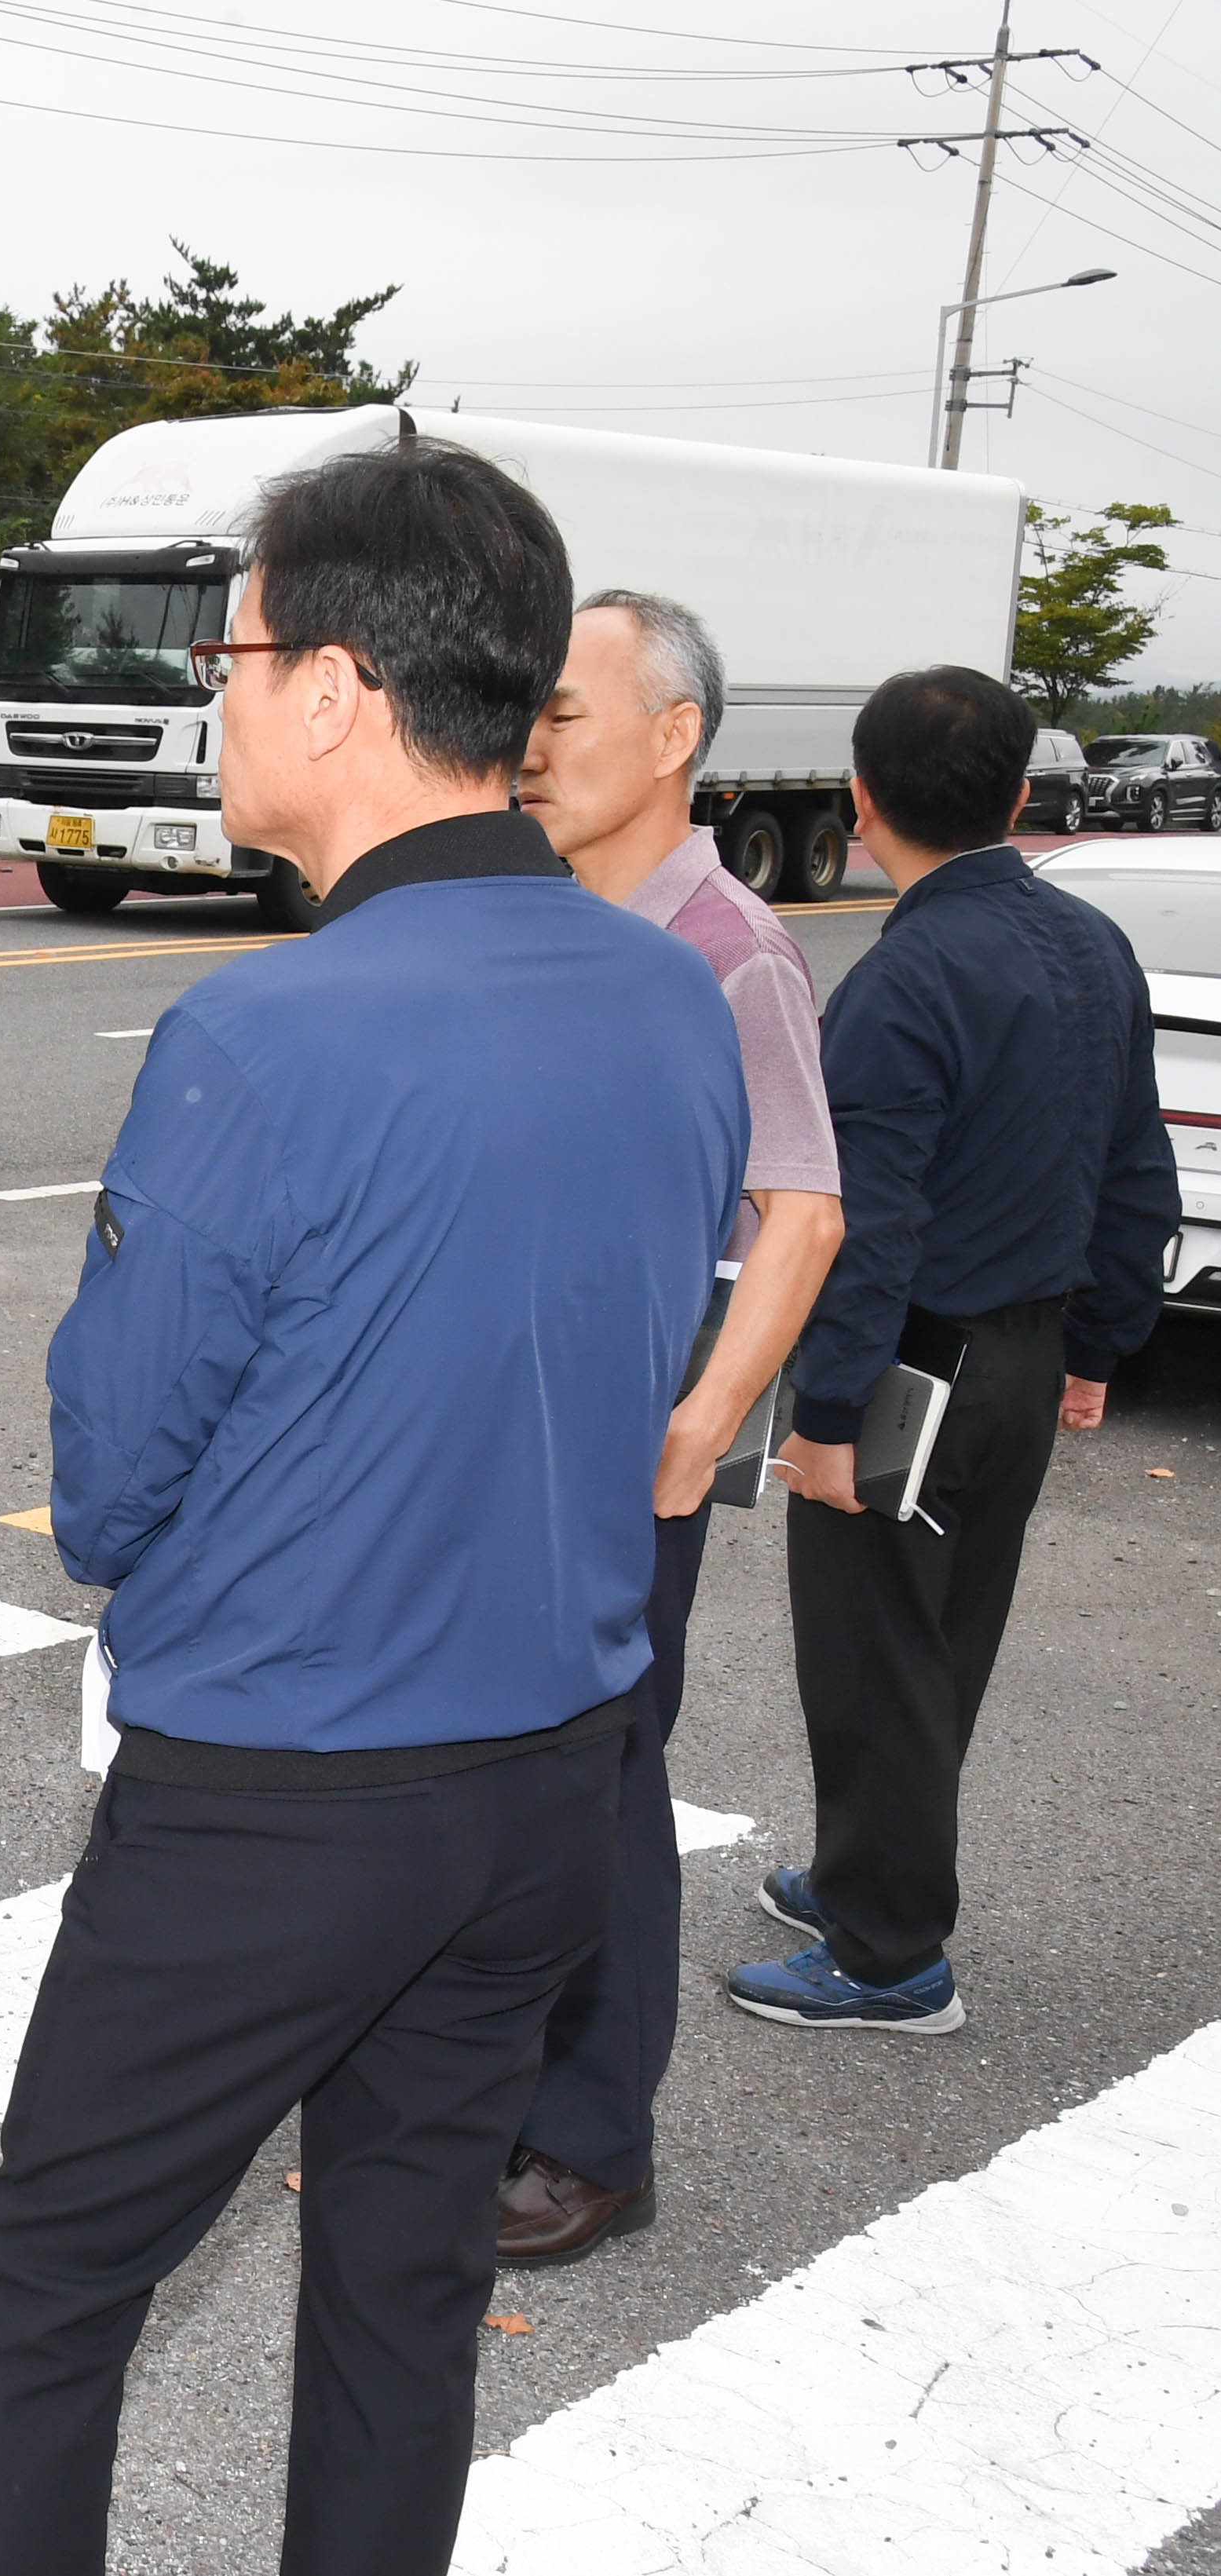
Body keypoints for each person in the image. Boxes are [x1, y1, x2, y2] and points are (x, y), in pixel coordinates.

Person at [0, 442, 744, 2575]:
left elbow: (111, 1466)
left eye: (232, 653)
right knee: (400, 2292)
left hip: (280, 1786)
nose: (215, 695)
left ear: (335, 687)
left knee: (56, 2285)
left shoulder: (263, 1028)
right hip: (551, 1768)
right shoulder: (670, 992)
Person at [739, 666, 1178, 2031]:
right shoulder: (1092, 946)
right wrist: (1101, 1340)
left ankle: (887, 1955)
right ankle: (865, 1876)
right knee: (944, 1639)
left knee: (873, 1652)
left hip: (909, 1368)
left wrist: (822, 1413)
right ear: (1019, 792)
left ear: (860, 800)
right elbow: (1134, 1164)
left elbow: (869, 1225)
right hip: (1025, 1356)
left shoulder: (905, 977)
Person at [500, 591, 845, 2264]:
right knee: (495, 1776)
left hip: (624, 1452)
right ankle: (481, 2096)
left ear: (674, 735)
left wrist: (698, 1429)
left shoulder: (729, 951)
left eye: (564, 712)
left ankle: (593, 2142)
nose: (529, 744)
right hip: (505, 1428)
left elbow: (803, 1213)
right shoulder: (545, 918)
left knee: (604, 1781)